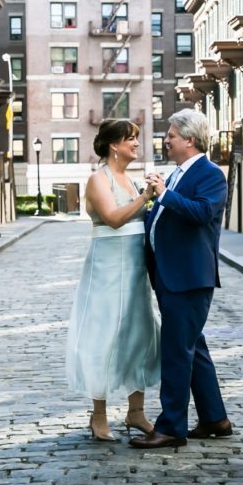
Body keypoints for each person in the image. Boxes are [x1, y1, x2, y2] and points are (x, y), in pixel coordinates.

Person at [130, 109, 232, 449]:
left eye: (171, 135)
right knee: (193, 346)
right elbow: (160, 220)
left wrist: (164, 195)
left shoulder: (211, 174)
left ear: (189, 139)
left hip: (189, 278)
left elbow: (202, 213)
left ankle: (172, 426)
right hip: (169, 276)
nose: (166, 140)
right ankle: (215, 418)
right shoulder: (175, 174)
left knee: (177, 352)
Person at [66, 119, 161, 441]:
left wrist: (157, 197)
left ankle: (136, 412)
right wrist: (146, 196)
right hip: (107, 268)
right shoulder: (98, 180)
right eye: (130, 138)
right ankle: (99, 416)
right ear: (113, 145)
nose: (136, 143)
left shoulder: (132, 181)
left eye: (136, 137)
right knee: (103, 336)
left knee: (140, 334)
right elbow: (114, 219)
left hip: (135, 271)